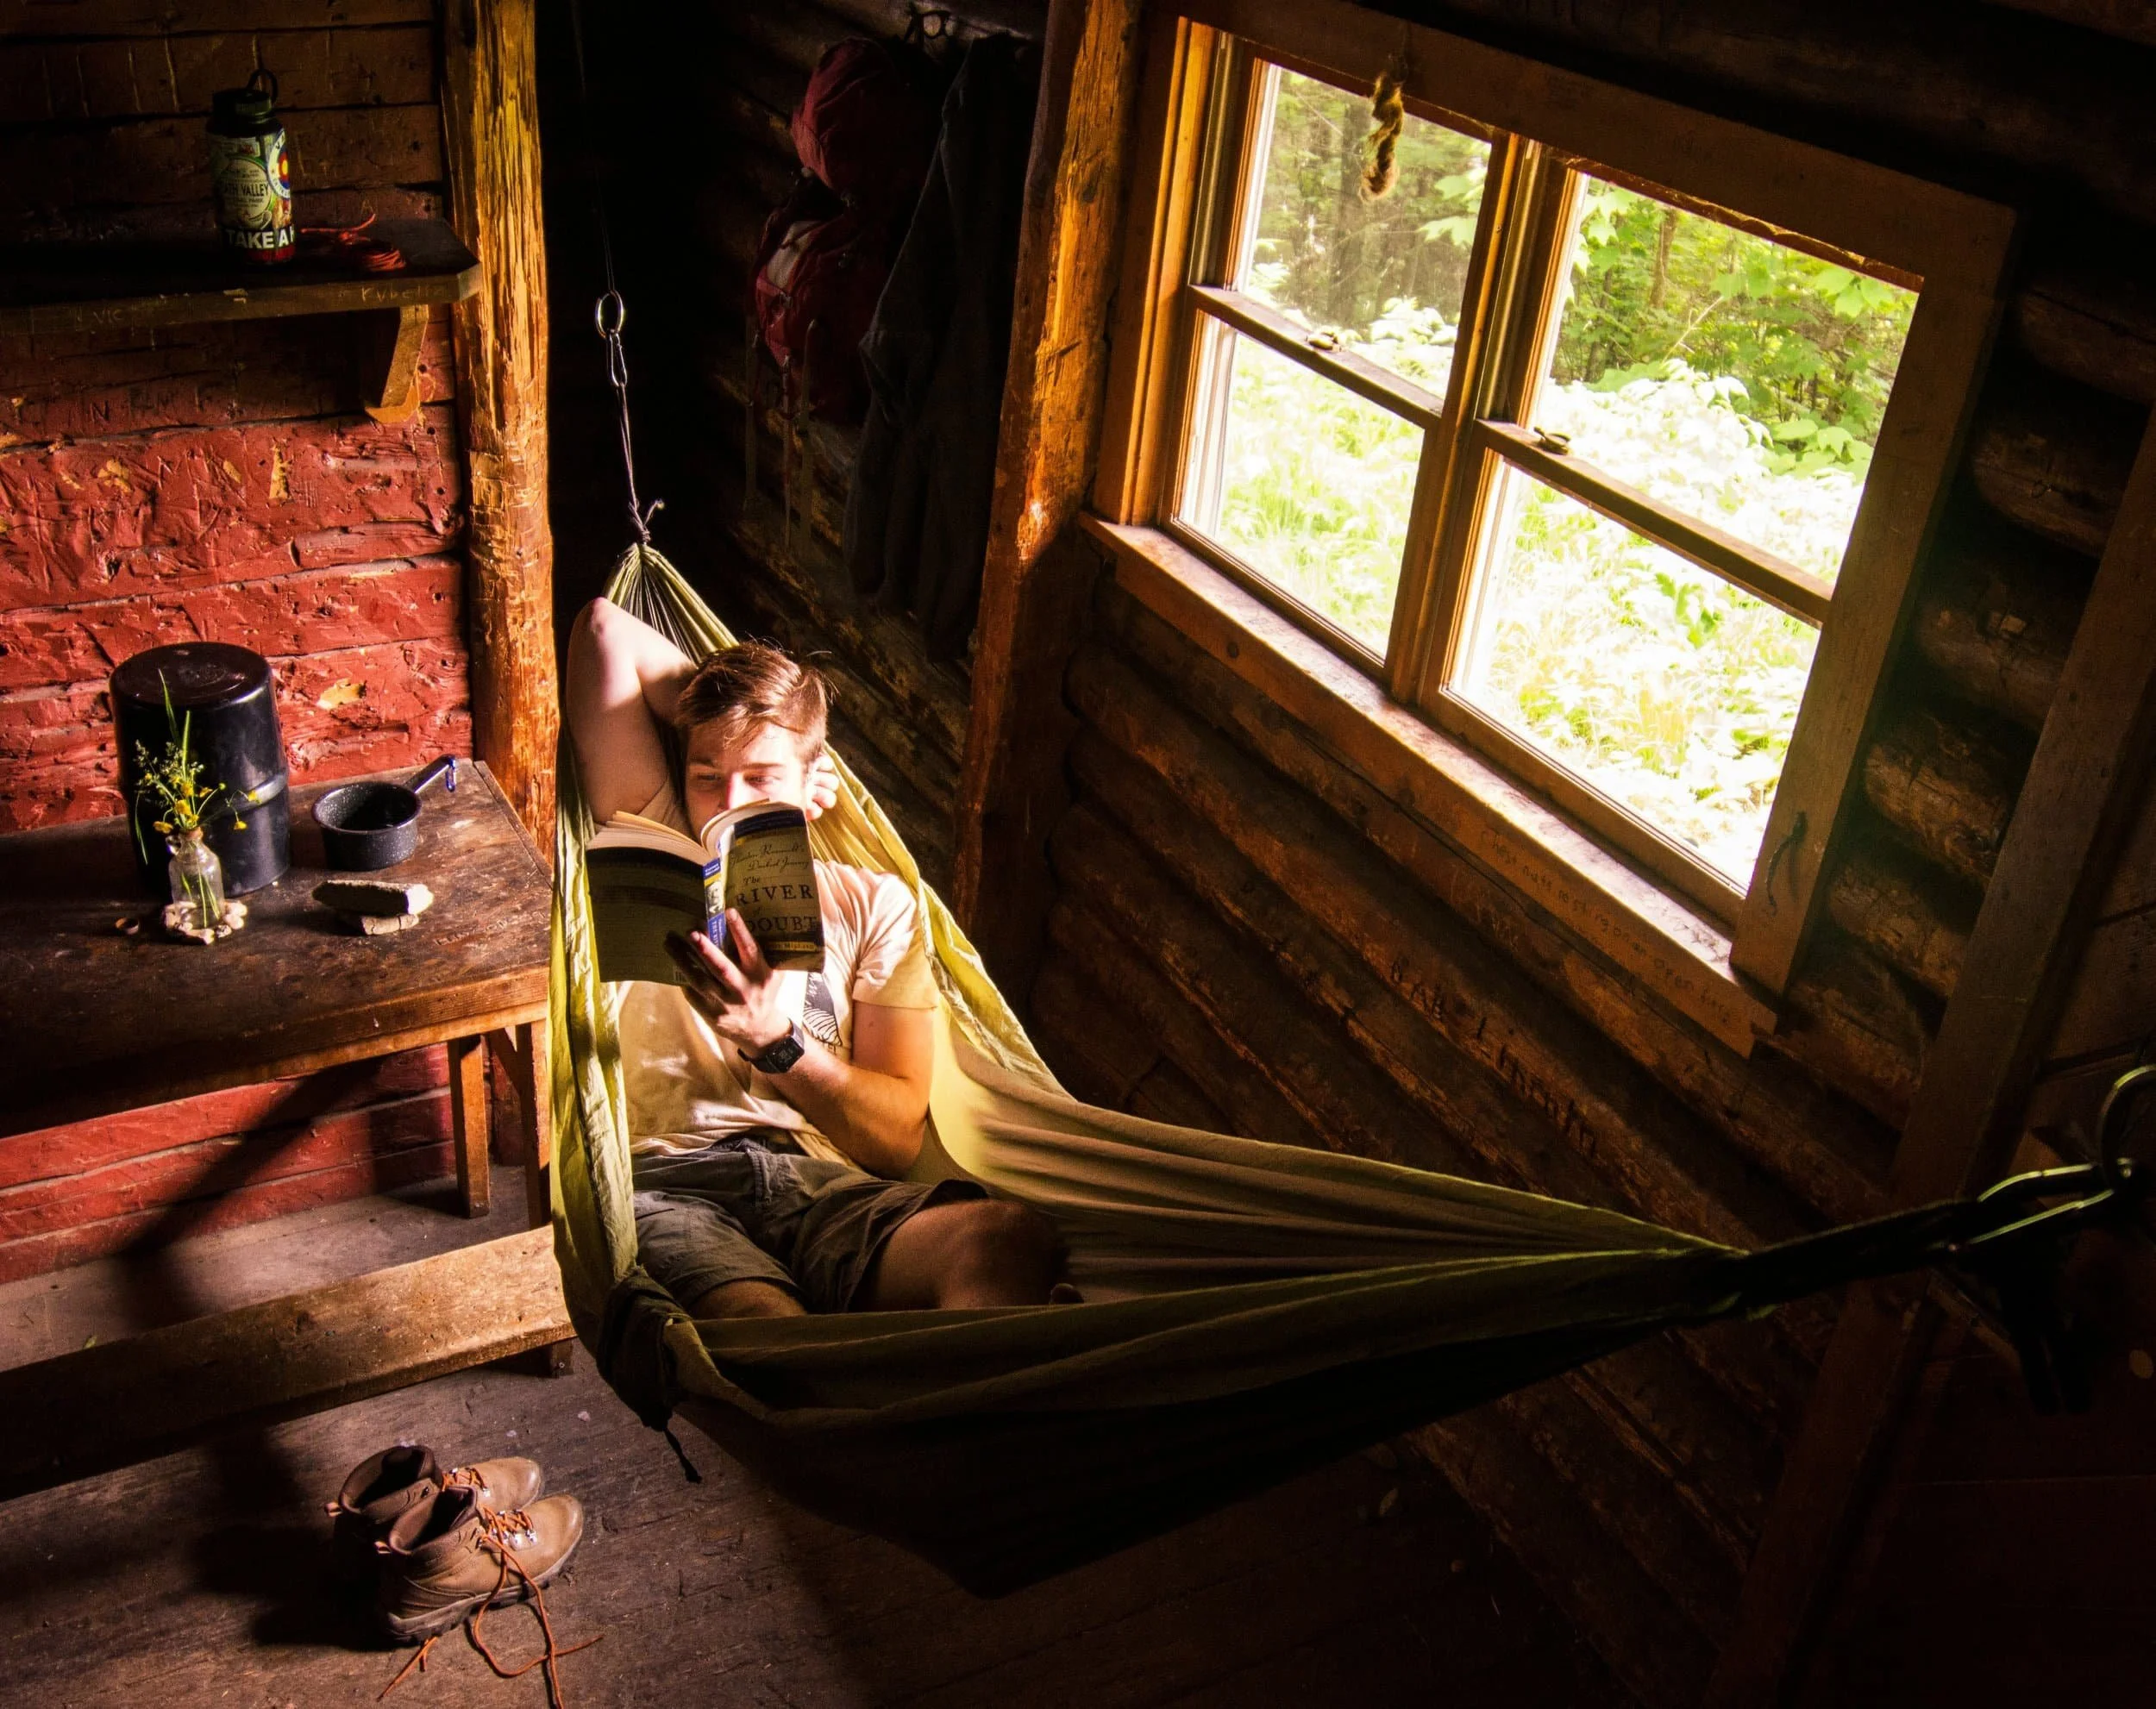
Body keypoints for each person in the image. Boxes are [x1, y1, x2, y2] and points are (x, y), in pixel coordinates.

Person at [566, 597, 1071, 1320]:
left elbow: (896, 1140)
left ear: (815, 786)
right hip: (671, 1182)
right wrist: (750, 718)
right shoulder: (658, 831)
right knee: (773, 1332)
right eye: (708, 775)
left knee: (1001, 1238)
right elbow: (603, 631)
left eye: (762, 778)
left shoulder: (878, 906)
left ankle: (977, 1396)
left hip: (819, 1185)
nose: (726, 803)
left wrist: (779, 1044)